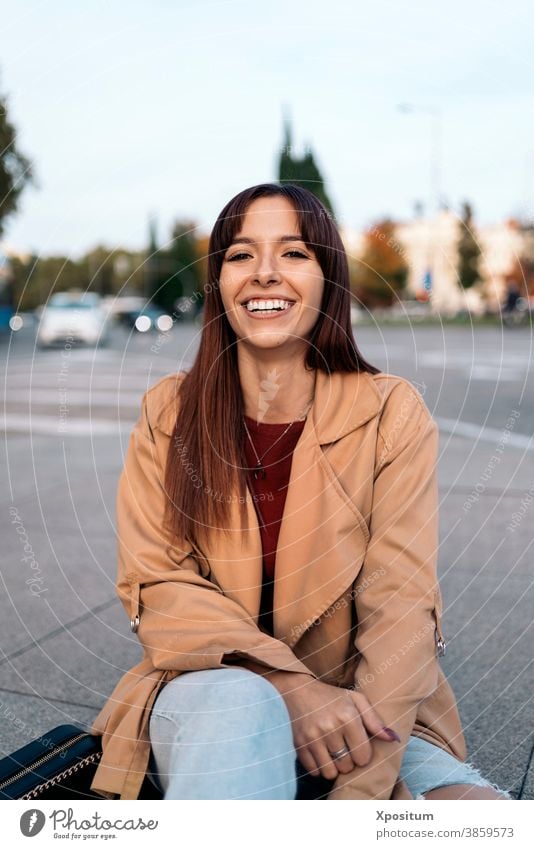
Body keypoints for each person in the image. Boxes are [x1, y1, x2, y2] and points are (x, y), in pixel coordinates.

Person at [89, 183, 511, 801]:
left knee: (483, 820)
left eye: (293, 253)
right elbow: (159, 585)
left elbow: (402, 604)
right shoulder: (169, 413)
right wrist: (289, 685)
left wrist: (358, 795)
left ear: (327, 278)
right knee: (241, 705)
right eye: (240, 255)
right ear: (218, 281)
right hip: (214, 686)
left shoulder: (390, 412)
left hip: (364, 708)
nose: (264, 273)